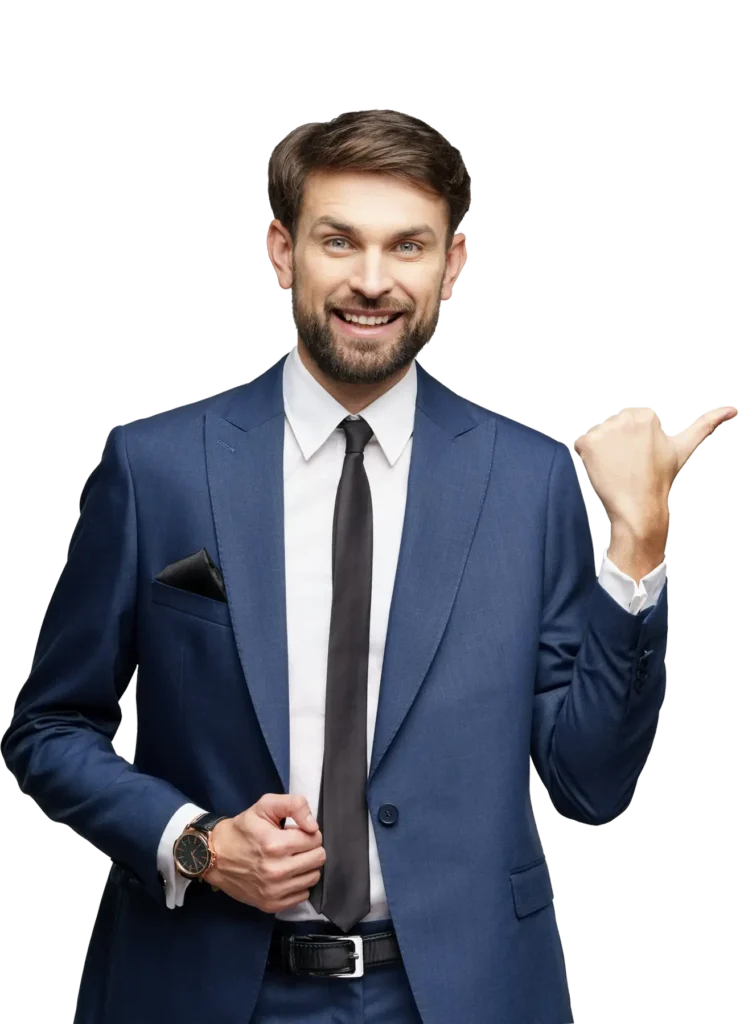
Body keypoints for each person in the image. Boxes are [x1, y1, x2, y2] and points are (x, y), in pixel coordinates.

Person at [1, 109, 680, 1024]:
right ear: (281, 249)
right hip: (199, 988)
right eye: (338, 241)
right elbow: (49, 729)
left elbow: (590, 786)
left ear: (454, 266)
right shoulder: (154, 467)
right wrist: (197, 842)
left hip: (460, 996)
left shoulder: (530, 483)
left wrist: (637, 547)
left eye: (407, 246)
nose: (371, 281)